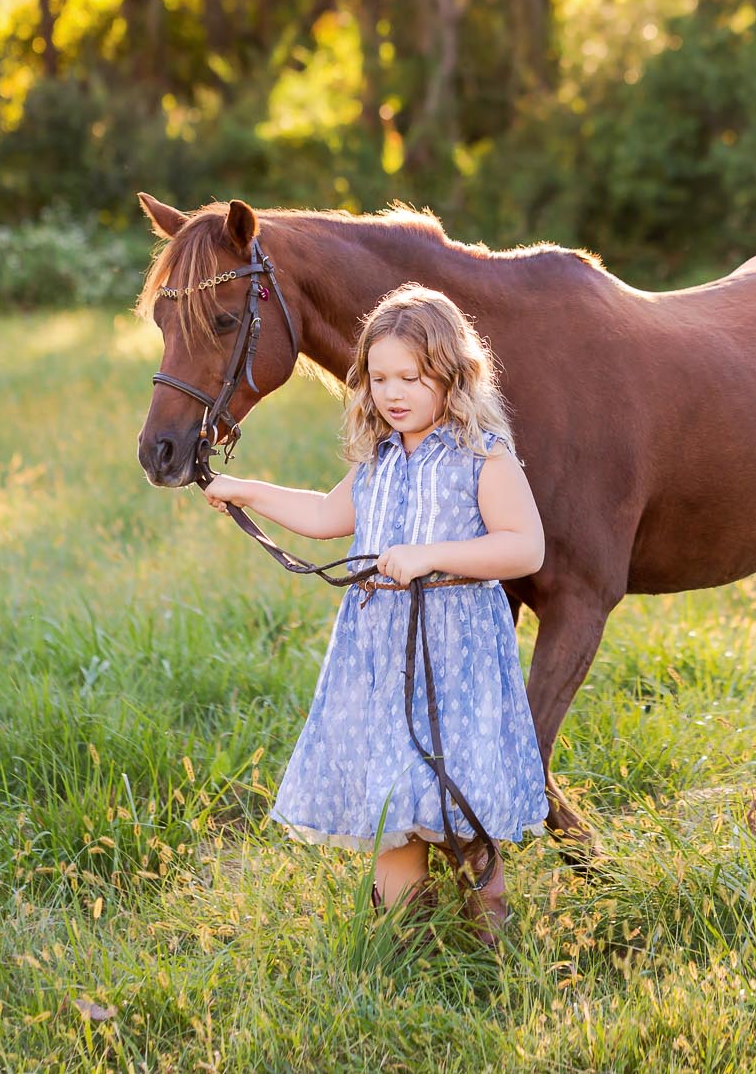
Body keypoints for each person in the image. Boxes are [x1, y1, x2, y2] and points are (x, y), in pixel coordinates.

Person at [202, 283, 548, 944]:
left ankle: (495, 954)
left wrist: (428, 555)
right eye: (381, 377)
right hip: (381, 660)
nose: (394, 393)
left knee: (458, 805)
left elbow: (524, 546)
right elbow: (328, 516)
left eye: (413, 378)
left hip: (453, 657)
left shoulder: (483, 456)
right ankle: (398, 956)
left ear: (454, 376)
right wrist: (245, 488)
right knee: (392, 803)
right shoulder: (380, 458)